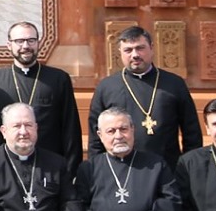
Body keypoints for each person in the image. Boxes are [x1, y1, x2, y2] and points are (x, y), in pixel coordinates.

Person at [87, 25, 203, 163]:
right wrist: (97, 170)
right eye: (128, 50)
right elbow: (95, 137)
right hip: (121, 169)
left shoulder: (174, 83)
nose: (135, 55)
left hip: (167, 169)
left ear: (152, 48)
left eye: (140, 48)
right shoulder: (106, 87)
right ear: (120, 52)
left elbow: (192, 133)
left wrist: (189, 168)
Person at [0, 22, 81, 166]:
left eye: (31, 40)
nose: (25, 46)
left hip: (50, 165)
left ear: (38, 43)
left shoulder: (58, 79)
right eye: (19, 41)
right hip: (5, 166)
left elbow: (70, 128)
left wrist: (71, 168)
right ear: (9, 45)